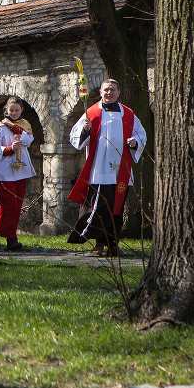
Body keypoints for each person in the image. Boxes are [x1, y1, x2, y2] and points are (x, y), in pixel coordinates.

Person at [66, 79, 147, 257]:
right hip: (99, 170)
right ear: (101, 92)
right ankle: (98, 244)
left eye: (112, 89)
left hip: (121, 171)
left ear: (118, 92)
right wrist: (85, 130)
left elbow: (141, 135)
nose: (109, 93)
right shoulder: (91, 112)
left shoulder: (128, 114)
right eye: (106, 90)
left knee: (117, 209)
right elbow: (75, 137)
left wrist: (135, 142)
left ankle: (112, 244)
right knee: (99, 208)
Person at [0, 97, 36, 252]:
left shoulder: (25, 125)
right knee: (8, 205)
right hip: (5, 172)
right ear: (6, 111)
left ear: (21, 110)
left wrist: (16, 130)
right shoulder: (0, 128)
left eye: (17, 110)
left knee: (16, 206)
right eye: (11, 110)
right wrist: (10, 149)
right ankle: (11, 239)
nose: (14, 113)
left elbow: (28, 140)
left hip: (20, 172)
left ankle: (5, 230)